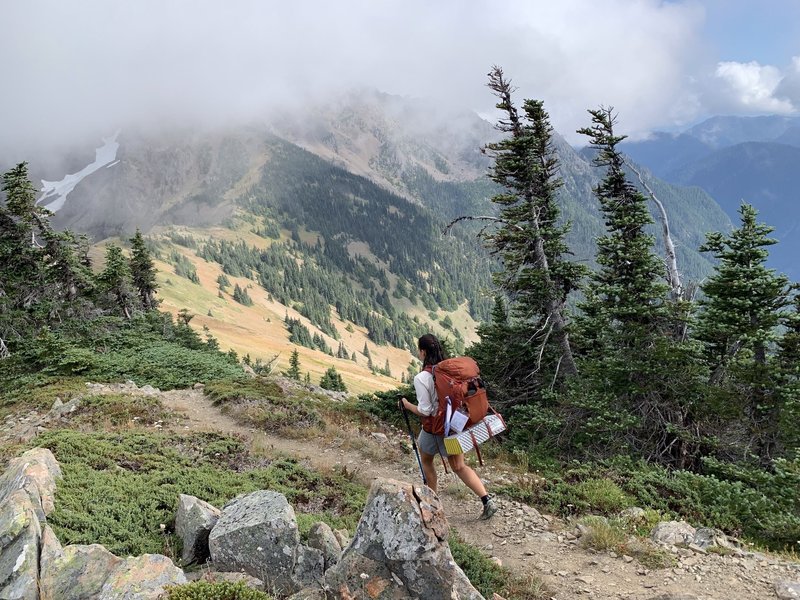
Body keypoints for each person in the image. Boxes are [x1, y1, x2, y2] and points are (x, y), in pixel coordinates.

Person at [400, 333, 497, 520]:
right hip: (455, 427)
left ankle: (431, 505)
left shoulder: (422, 377)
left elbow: (425, 410)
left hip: (434, 429)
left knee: (427, 460)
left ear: (423, 352)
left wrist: (406, 404)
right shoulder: (449, 371)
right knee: (459, 466)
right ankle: (487, 501)